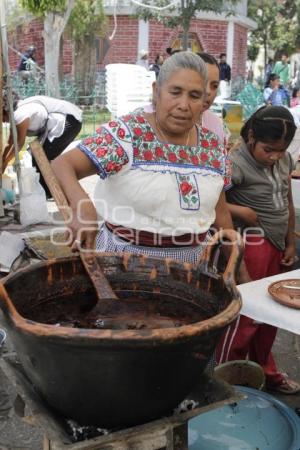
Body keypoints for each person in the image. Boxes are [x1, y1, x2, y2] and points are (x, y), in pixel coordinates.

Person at [51, 51, 238, 265]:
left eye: (194, 96)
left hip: (193, 266)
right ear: (156, 91)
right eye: (175, 92)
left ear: (204, 100)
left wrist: (238, 270)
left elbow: (220, 212)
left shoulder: (214, 146)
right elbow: (62, 164)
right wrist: (82, 205)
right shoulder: (128, 134)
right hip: (122, 263)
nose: (184, 105)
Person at [216, 105, 300, 394]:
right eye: (268, 149)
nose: (275, 156)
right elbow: (214, 204)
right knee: (246, 316)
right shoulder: (235, 163)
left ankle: (266, 371)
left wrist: (290, 241)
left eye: (281, 150)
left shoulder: (285, 159)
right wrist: (241, 210)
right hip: (251, 243)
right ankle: (226, 379)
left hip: (277, 244)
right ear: (251, 136)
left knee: (270, 316)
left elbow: (286, 200)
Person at [2, 92, 83, 198]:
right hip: (64, 121)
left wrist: (5, 162)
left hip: (69, 121)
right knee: (38, 157)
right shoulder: (16, 113)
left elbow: (19, 142)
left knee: (43, 159)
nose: (2, 121)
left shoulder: (20, 114)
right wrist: (3, 158)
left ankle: (50, 193)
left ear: (4, 111)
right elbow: (11, 140)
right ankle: (47, 191)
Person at [197, 52, 230, 147]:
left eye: (214, 86)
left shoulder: (217, 126)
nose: (208, 91)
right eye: (202, 82)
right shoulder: (152, 121)